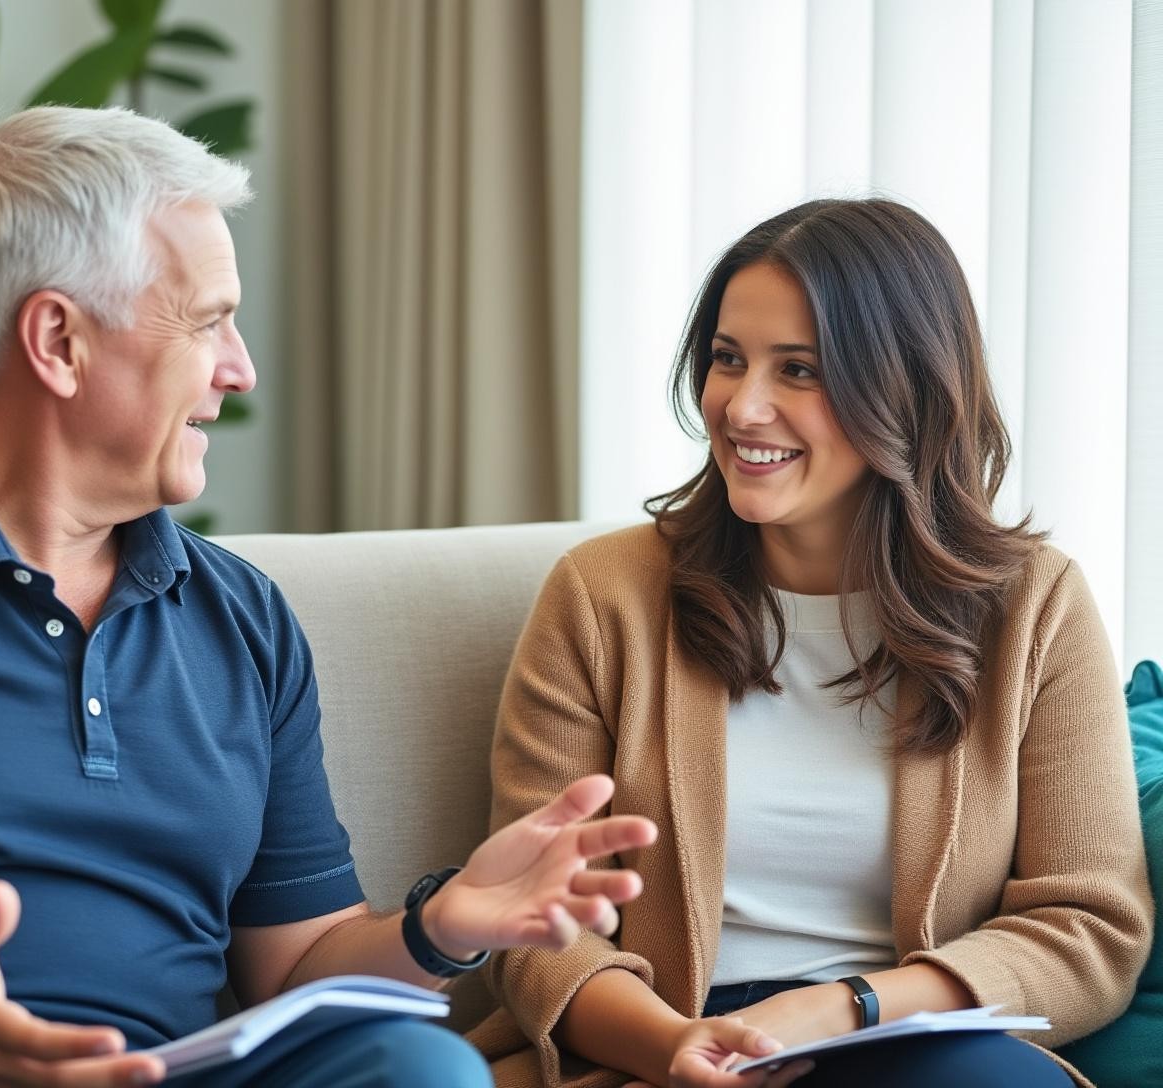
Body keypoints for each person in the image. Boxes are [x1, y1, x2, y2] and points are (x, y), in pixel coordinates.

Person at [0, 106, 662, 1088]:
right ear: (58, 340)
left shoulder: (241, 618)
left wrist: (442, 922)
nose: (239, 369)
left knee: (420, 1068)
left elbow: (295, 966)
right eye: (209, 318)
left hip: (161, 1074)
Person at [470, 198, 1153, 1088]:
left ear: (904, 386)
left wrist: (846, 1009)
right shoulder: (604, 597)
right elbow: (533, 925)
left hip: (915, 1044)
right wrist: (680, 1047)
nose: (744, 407)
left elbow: (1090, 926)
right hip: (656, 1050)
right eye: (727, 360)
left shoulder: (1032, 605)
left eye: (800, 370)